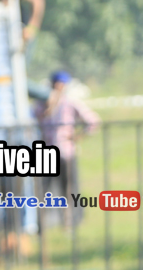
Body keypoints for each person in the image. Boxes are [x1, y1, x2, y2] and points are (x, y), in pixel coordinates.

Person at [38, 70, 99, 228]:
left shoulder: (70, 103)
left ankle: (73, 221)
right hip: (46, 154)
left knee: (70, 188)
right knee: (44, 189)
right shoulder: (41, 104)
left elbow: (92, 121)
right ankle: (42, 224)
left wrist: (77, 136)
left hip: (66, 152)